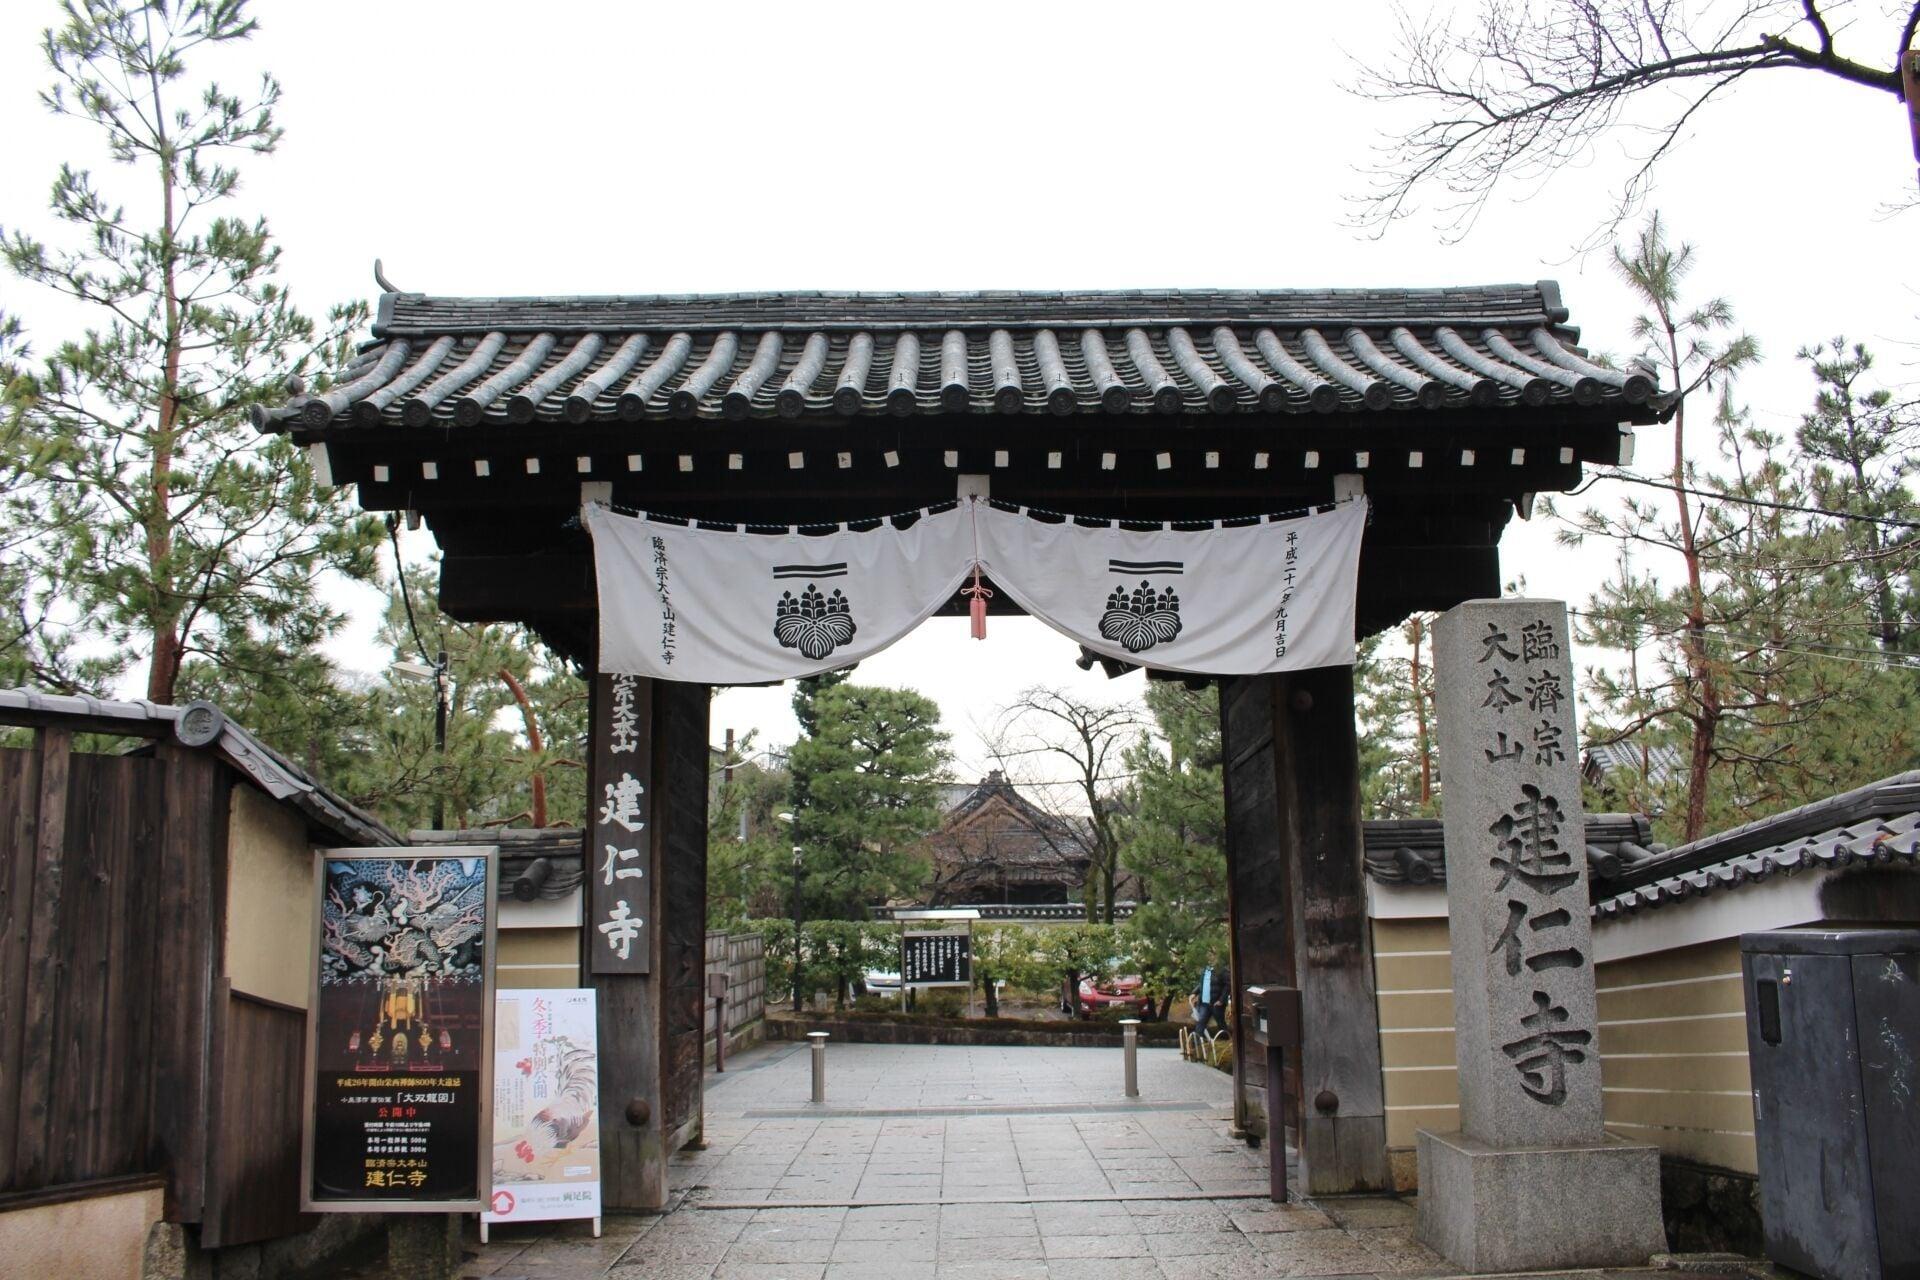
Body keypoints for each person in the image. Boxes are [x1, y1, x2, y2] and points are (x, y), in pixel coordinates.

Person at [1190, 959, 1226, 1037]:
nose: (1210, 959)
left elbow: (1227, 986)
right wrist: (1194, 993)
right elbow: (1202, 984)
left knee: (1221, 1024)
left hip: (1216, 1003)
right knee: (1201, 1022)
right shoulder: (1205, 970)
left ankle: (1226, 1041)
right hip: (1204, 1003)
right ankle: (1197, 1044)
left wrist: (1221, 1000)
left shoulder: (1222, 971)